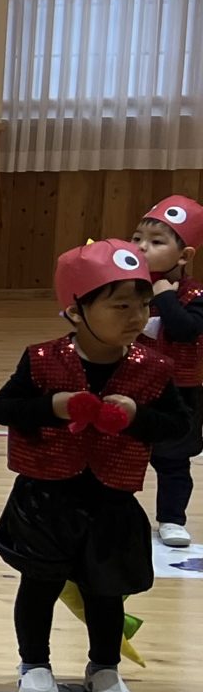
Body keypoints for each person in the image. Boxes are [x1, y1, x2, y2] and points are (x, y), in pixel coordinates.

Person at [0, 242, 180, 692]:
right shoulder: (41, 358)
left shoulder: (154, 368)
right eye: (120, 306)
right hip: (45, 496)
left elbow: (181, 426)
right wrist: (53, 407)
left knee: (106, 589)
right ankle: (34, 664)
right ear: (76, 311)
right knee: (39, 583)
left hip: (111, 496)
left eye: (143, 305)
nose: (136, 317)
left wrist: (137, 417)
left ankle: (104, 666)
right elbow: (3, 409)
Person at [131, 194, 203, 548]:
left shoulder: (195, 295)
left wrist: (165, 296)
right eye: (137, 238)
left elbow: (185, 330)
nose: (142, 247)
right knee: (122, 452)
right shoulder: (128, 288)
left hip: (179, 393)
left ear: (184, 256)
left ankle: (172, 519)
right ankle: (114, 514)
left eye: (156, 242)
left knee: (173, 461)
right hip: (132, 386)